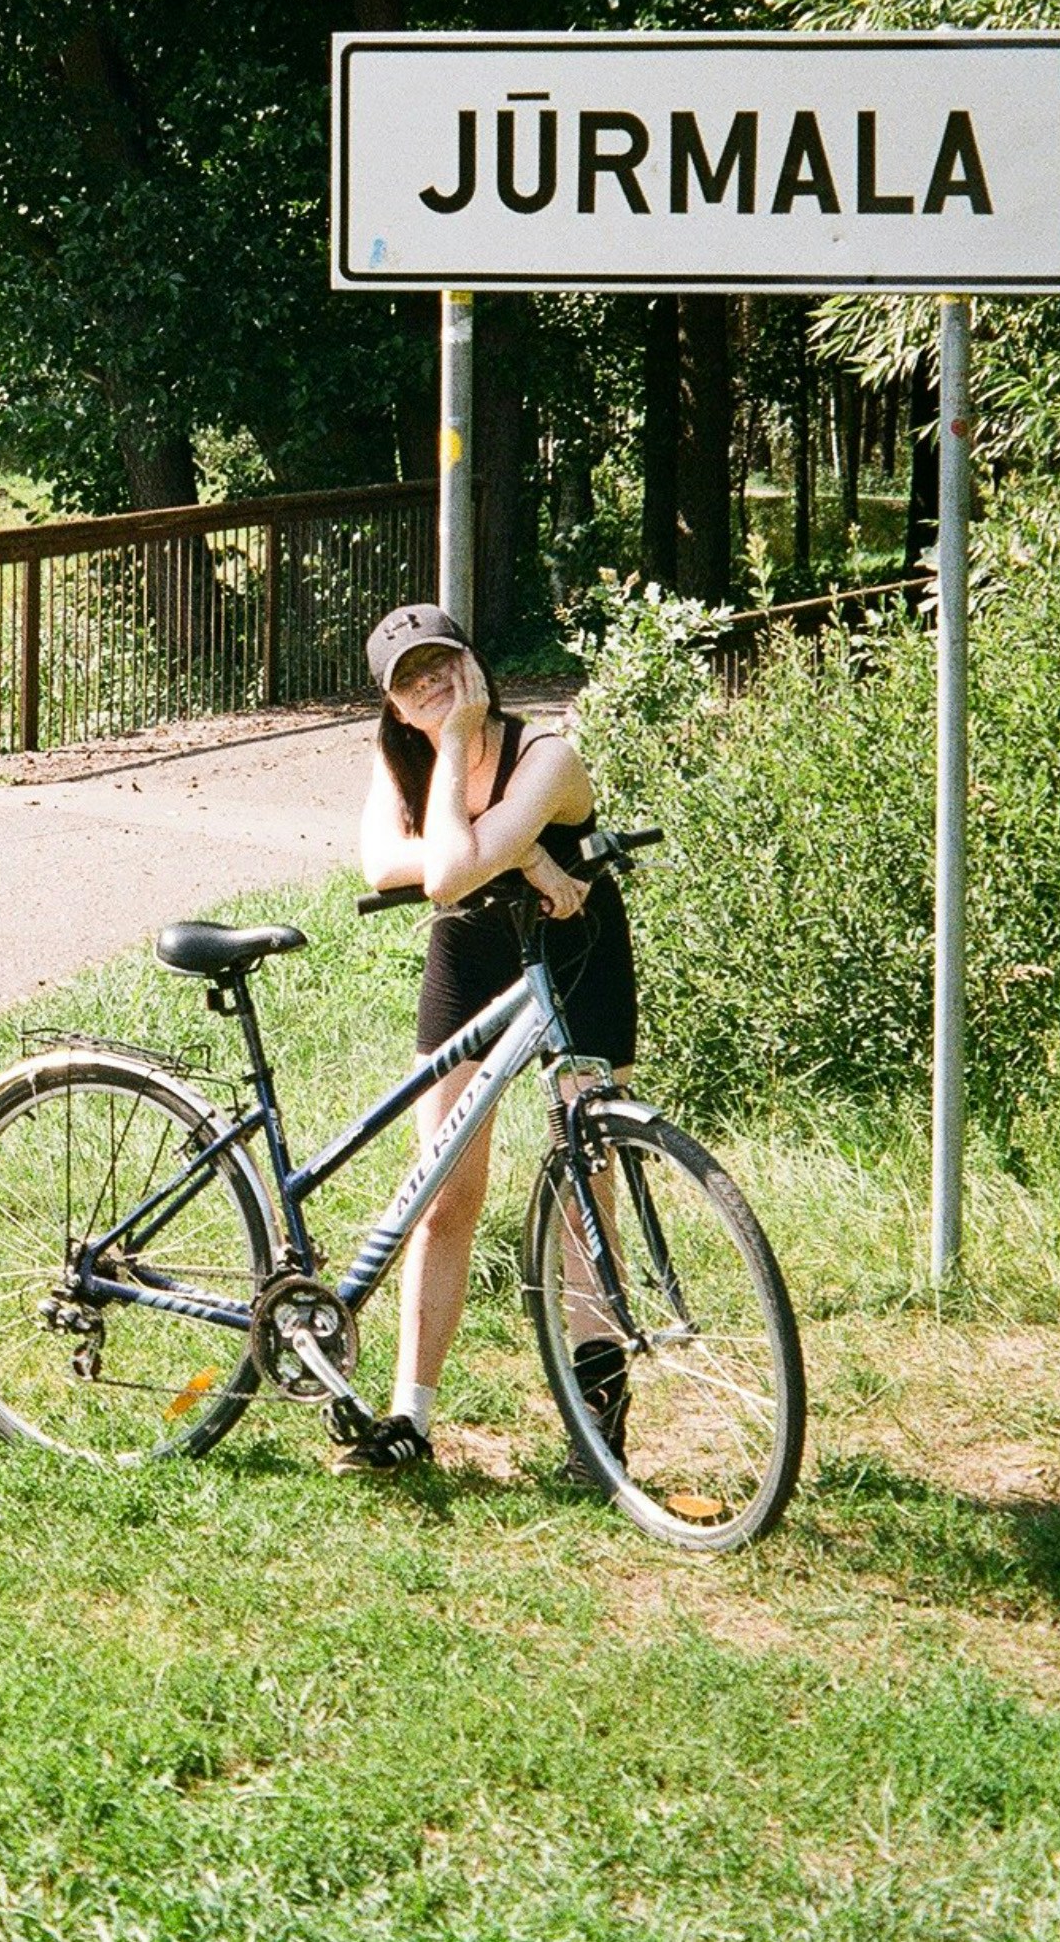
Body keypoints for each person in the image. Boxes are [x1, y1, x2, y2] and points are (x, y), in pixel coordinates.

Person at [342, 601, 639, 1472]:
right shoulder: (400, 755)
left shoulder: (545, 756)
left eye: (441, 664)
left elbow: (442, 867)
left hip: (573, 949)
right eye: (410, 681)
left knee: (586, 1182)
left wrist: (482, 840)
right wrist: (524, 852)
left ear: (473, 666)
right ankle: (409, 1417)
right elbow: (394, 867)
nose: (431, 685)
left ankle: (597, 1423)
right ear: (393, 704)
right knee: (444, 1190)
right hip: (470, 949)